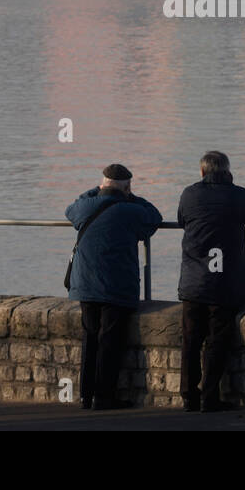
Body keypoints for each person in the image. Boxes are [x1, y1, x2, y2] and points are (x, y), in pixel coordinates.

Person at [176, 150, 245, 412]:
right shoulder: (237, 195)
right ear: (227, 172)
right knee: (217, 340)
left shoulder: (189, 194)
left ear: (202, 172)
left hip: (193, 282)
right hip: (225, 284)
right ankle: (209, 397)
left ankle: (188, 397)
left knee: (191, 341)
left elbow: (182, 219)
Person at [65, 164, 162, 410]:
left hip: (85, 284)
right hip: (115, 286)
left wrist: (97, 191)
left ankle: (86, 396)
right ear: (127, 188)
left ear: (102, 184)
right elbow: (154, 216)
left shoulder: (85, 207)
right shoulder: (131, 210)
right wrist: (130, 196)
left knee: (90, 338)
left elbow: (71, 208)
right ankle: (104, 397)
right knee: (109, 340)